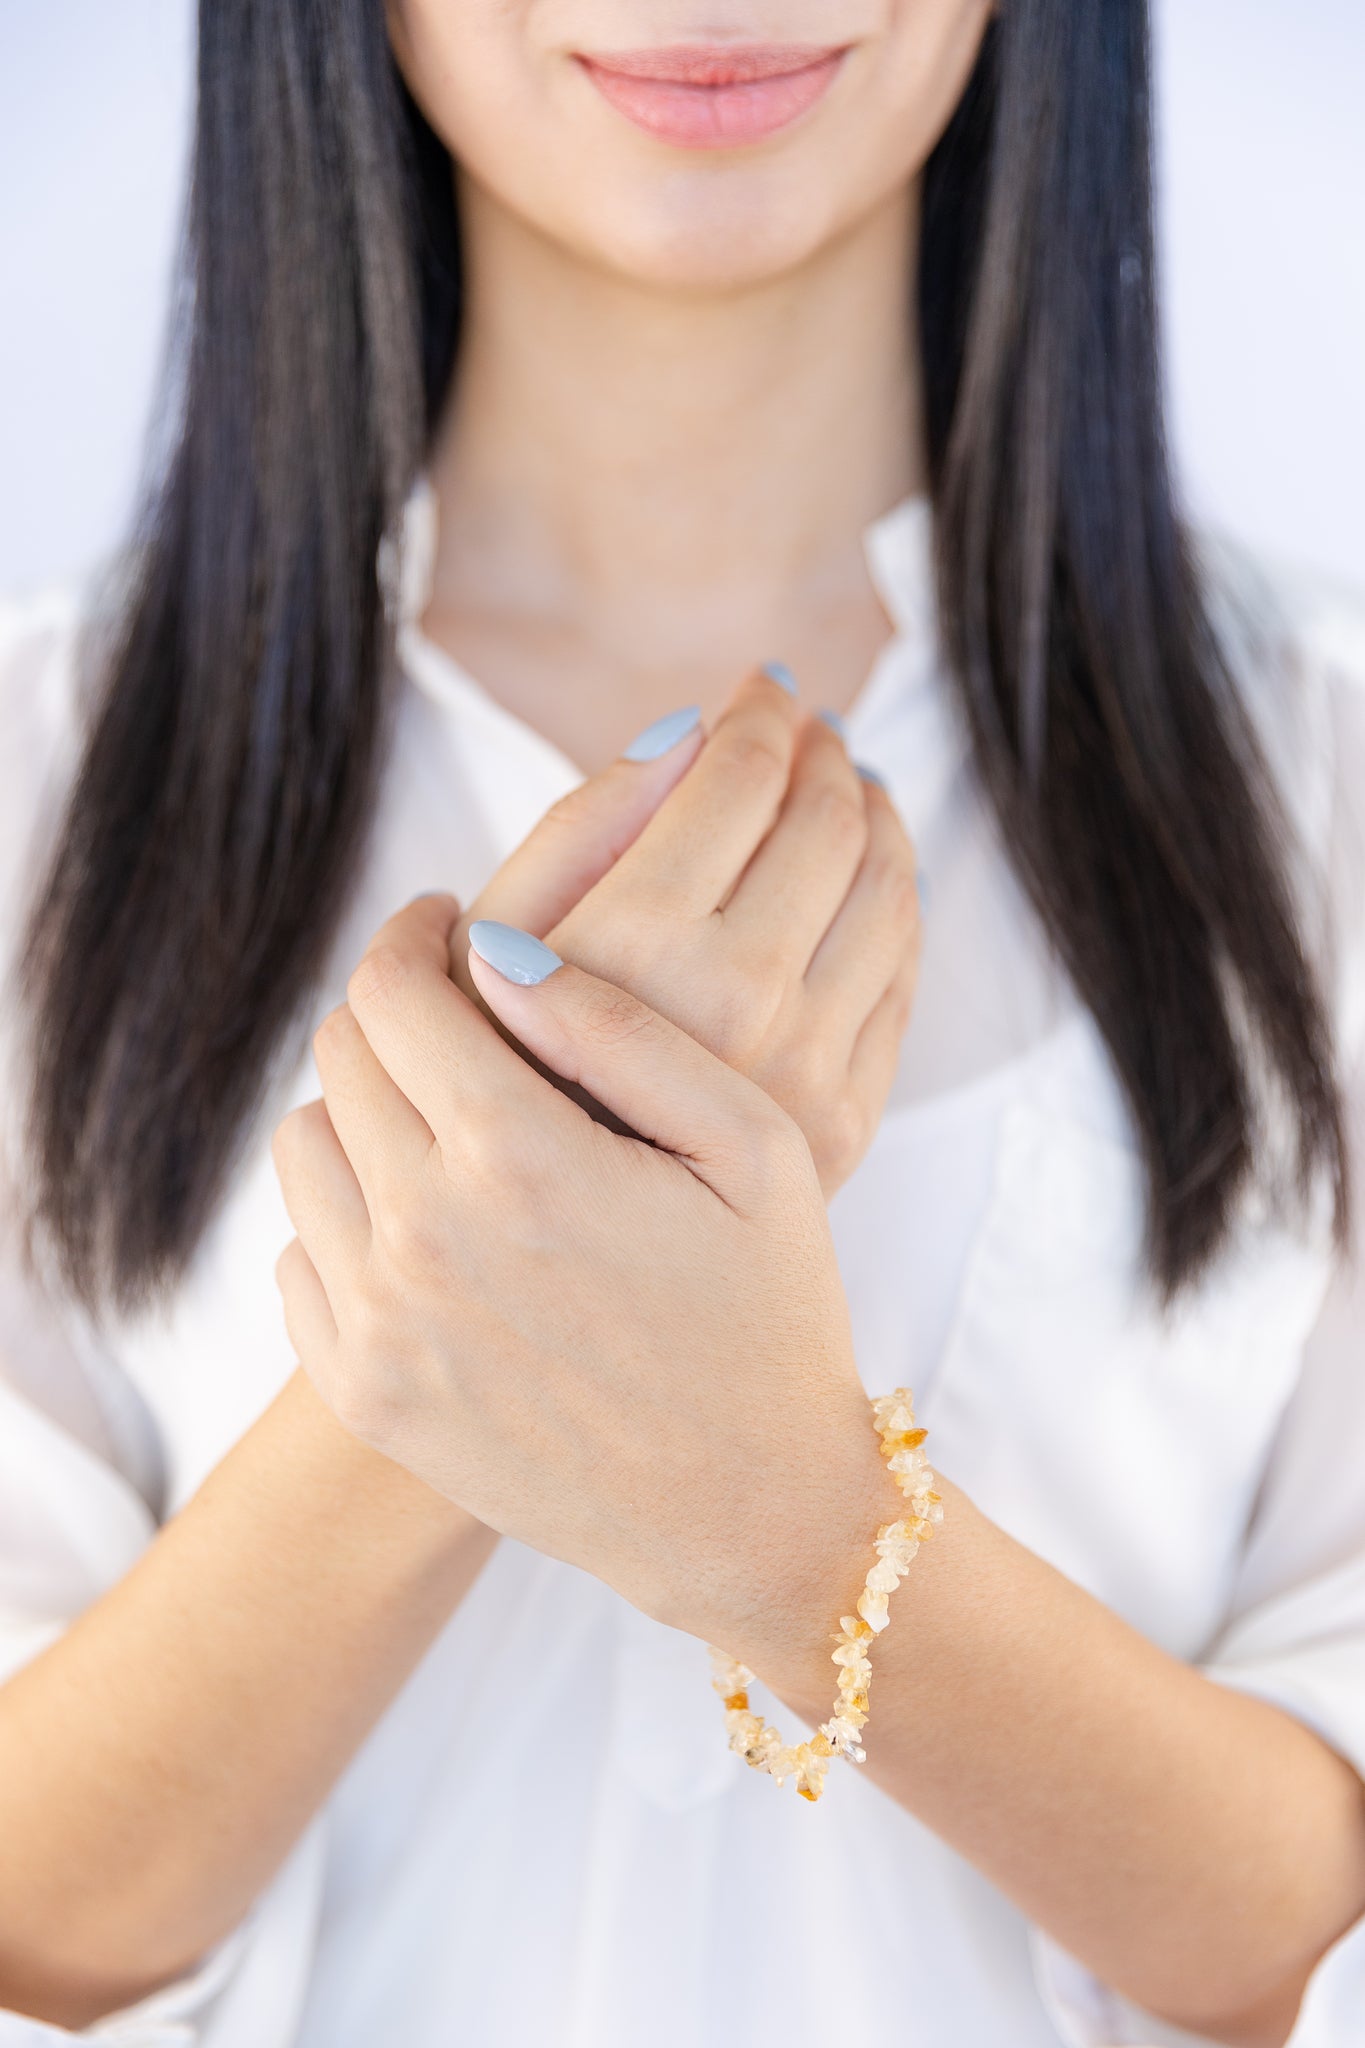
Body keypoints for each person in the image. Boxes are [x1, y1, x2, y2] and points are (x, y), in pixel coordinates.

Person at [0, 3, 1362, 2043]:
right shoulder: (42, 784)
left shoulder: (1321, 788)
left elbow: (1315, 1926)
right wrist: (498, 1295)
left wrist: (789, 1514)